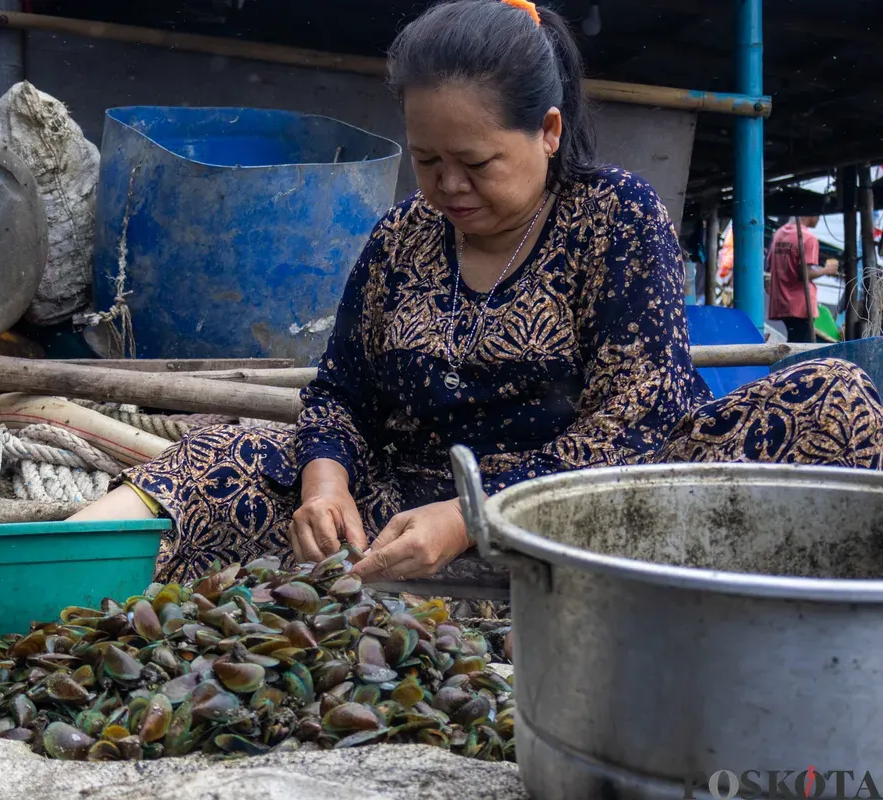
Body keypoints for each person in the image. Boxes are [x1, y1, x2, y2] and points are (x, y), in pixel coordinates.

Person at [72, 0, 883, 586]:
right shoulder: (399, 240)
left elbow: (638, 423)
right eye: (427, 161)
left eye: (478, 162)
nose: (448, 185)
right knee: (229, 449)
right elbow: (339, 394)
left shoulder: (616, 216)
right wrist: (325, 481)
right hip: (405, 507)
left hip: (592, 512)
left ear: (549, 132)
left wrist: (475, 517)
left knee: (830, 399)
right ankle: (40, 569)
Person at [766, 215, 840, 343]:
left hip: (782, 302)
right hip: (800, 305)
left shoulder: (780, 233)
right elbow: (804, 274)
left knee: (794, 340)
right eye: (817, 215)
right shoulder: (808, 238)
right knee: (801, 345)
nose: (818, 219)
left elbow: (771, 266)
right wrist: (826, 270)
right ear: (810, 214)